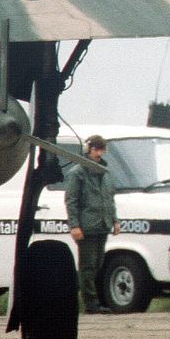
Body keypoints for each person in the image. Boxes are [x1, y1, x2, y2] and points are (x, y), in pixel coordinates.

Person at [63, 134, 119, 314]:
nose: (99, 152)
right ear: (88, 149)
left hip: (103, 224)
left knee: (98, 265)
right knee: (87, 267)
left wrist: (115, 220)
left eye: (101, 149)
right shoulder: (77, 173)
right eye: (95, 148)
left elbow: (110, 198)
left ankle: (97, 300)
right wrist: (74, 225)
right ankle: (91, 304)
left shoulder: (106, 172)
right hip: (86, 226)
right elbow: (71, 201)